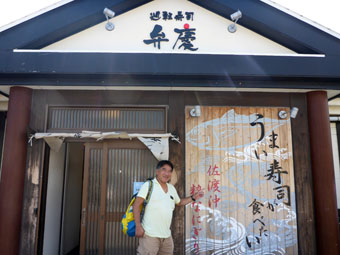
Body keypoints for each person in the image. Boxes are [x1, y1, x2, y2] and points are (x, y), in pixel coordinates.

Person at [133, 160, 204, 255]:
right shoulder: (148, 185)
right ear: (157, 171)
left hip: (166, 237)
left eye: (170, 171)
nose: (167, 173)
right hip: (149, 235)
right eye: (164, 170)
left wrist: (193, 198)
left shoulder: (171, 188)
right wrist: (138, 226)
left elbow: (179, 202)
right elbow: (136, 205)